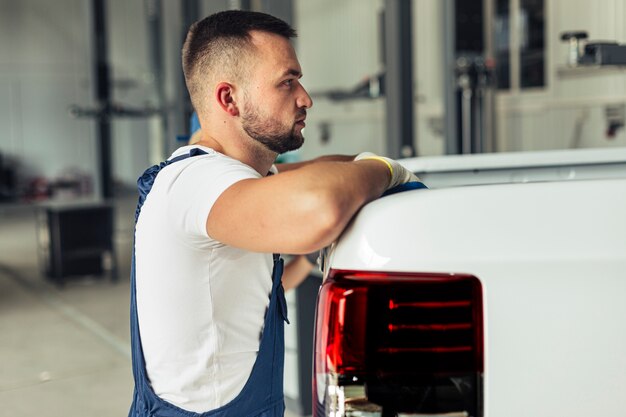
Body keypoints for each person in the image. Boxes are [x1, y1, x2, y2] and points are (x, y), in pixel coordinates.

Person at [128, 9, 419, 417]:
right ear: (228, 98)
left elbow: (329, 170)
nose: (305, 98)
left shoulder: (238, 178)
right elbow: (319, 206)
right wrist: (388, 170)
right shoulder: (197, 182)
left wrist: (363, 167)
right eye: (287, 82)